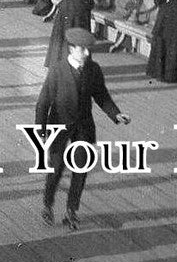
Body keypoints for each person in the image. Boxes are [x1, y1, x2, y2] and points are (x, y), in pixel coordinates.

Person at [35, 28, 131, 230]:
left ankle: (71, 210)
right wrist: (41, 131)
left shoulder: (93, 70)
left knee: (81, 169)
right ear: (71, 49)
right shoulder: (58, 70)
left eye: (88, 50)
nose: (87, 53)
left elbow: (101, 96)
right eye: (83, 50)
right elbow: (43, 102)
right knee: (56, 168)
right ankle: (48, 204)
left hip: (84, 128)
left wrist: (115, 114)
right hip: (59, 128)